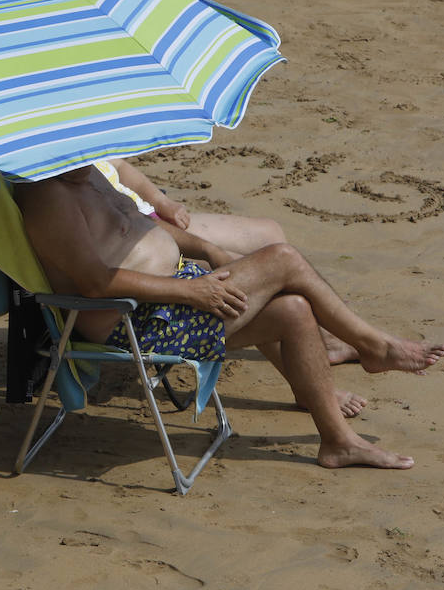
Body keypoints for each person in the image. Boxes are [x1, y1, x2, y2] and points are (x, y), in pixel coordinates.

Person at [15, 164, 444, 470]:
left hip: (168, 299)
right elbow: (93, 283)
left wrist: (206, 251)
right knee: (282, 259)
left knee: (293, 309)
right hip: (131, 325)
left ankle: (338, 443)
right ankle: (374, 346)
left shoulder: (84, 173)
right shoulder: (46, 196)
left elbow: (141, 222)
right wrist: (190, 288)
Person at [97, 158, 365, 414]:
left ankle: (327, 342)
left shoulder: (83, 154)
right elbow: (93, 278)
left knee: (269, 237)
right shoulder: (66, 194)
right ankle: (332, 356)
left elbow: (118, 165)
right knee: (266, 273)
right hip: (142, 254)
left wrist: (161, 202)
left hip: (147, 221)